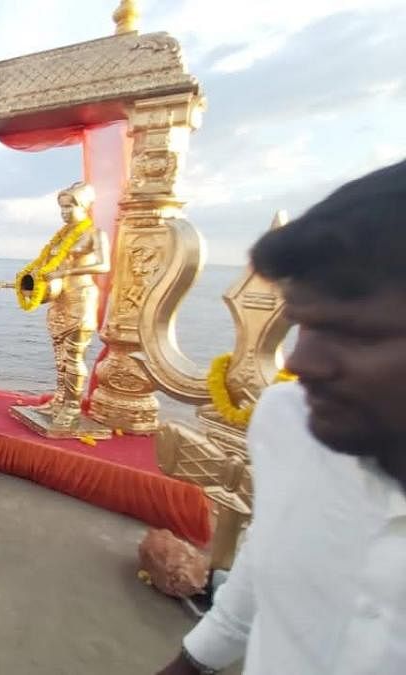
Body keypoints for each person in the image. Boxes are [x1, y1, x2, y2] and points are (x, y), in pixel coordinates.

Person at [157, 158, 406, 675]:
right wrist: (193, 661)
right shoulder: (290, 421)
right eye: (303, 326)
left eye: (358, 335)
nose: (299, 364)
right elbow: (264, 561)